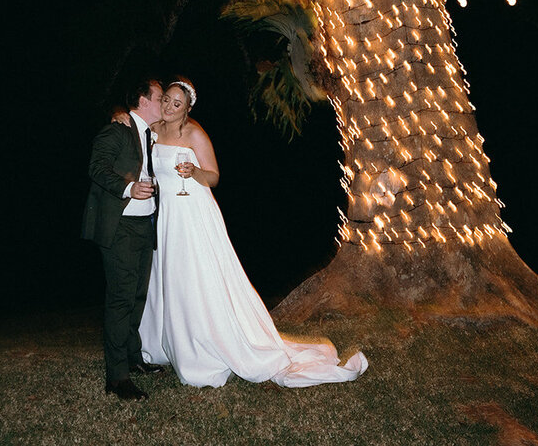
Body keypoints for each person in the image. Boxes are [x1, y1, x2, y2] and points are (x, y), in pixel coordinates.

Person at [138, 78, 368, 388]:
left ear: (187, 109)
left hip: (194, 214)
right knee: (170, 275)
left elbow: (214, 176)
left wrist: (195, 173)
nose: (168, 106)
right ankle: (167, 340)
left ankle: (204, 346)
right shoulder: (153, 131)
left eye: (176, 104)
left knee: (196, 275)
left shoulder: (194, 133)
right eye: (166, 99)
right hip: (167, 216)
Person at [81, 78, 167, 401]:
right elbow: (96, 168)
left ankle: (133, 358)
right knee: (120, 298)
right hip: (120, 228)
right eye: (159, 97)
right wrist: (129, 188)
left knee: (137, 297)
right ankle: (117, 378)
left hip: (146, 225)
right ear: (143, 100)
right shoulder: (117, 131)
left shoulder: (150, 135)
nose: (163, 102)